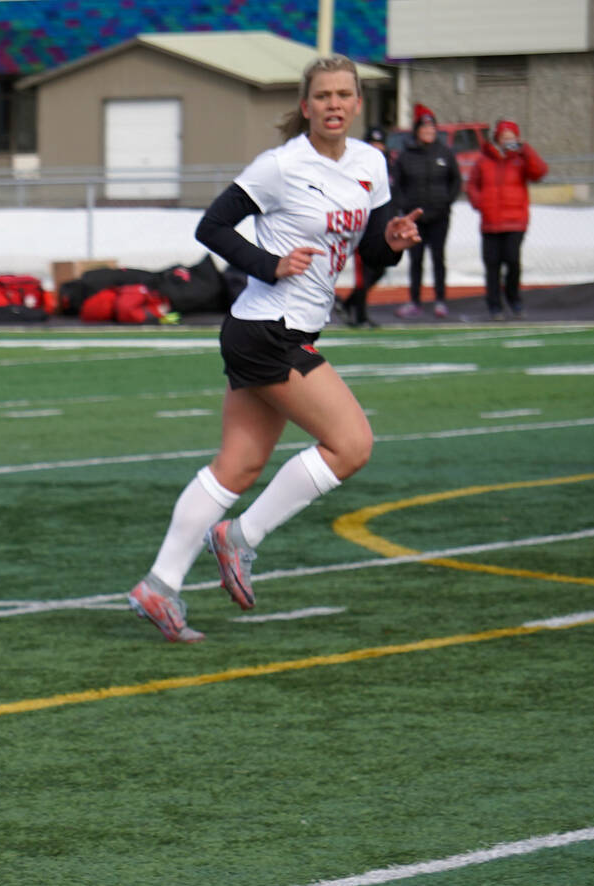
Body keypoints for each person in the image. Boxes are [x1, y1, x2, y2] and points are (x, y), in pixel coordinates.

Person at [127, 54, 421, 643]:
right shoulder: (281, 166)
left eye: (344, 95)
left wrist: (393, 243)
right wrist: (271, 263)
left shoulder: (370, 163)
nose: (334, 104)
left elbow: (373, 247)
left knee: (237, 467)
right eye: (322, 96)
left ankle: (158, 586)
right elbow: (210, 227)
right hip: (266, 329)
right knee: (352, 444)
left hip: (284, 330)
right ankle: (241, 538)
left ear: (359, 103)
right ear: (305, 105)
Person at [467, 119, 547, 320]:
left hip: (515, 221)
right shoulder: (484, 161)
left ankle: (514, 299)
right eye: (505, 137)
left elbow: (539, 172)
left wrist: (525, 150)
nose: (508, 141)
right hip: (491, 222)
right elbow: (472, 186)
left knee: (512, 261)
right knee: (492, 264)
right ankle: (494, 306)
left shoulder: (521, 159)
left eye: (512, 137)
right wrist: (481, 203)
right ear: (497, 138)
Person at [391, 106, 460, 319]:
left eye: (432, 127)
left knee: (438, 258)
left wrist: (446, 201)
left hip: (439, 216)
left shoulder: (444, 153)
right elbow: (397, 184)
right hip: (415, 219)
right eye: (425, 127)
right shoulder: (406, 156)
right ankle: (415, 301)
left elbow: (455, 180)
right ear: (417, 130)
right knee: (416, 260)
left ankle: (440, 300)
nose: (428, 131)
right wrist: (405, 207)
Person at [339, 127, 393, 328]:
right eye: (373, 144)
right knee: (364, 273)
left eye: (380, 144)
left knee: (379, 269)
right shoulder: (357, 167)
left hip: (384, 227)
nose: (377, 148)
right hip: (364, 227)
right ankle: (359, 315)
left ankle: (348, 304)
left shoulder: (388, 166)